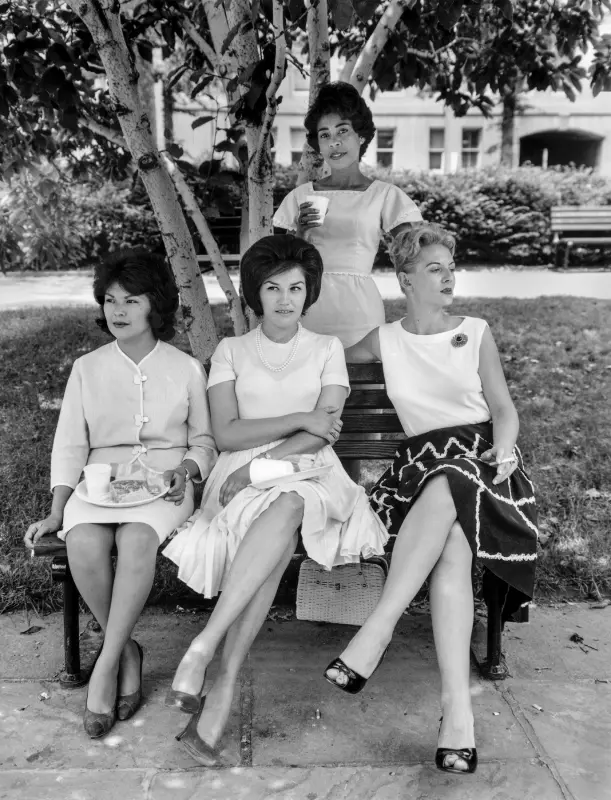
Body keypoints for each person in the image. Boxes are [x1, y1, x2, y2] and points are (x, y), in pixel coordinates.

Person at [163, 234, 389, 766]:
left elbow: (325, 431)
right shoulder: (231, 351)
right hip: (238, 475)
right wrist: (296, 418)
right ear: (254, 294)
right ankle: (221, 684)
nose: (285, 299)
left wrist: (266, 466)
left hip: (308, 471)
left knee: (288, 503)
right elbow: (226, 431)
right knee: (279, 523)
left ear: (308, 293)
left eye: (296, 287)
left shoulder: (327, 348)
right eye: (272, 287)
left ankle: (207, 645)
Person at [322, 223, 538, 775]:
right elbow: (319, 366)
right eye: (435, 268)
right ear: (405, 279)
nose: (449, 277)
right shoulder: (382, 340)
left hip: (486, 467)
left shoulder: (476, 330)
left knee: (454, 483)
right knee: (451, 543)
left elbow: (504, 410)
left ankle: (378, 630)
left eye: (451, 266)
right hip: (417, 473)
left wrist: (507, 450)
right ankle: (455, 712)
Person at [24, 250, 217, 739]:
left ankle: (105, 667)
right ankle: (126, 650)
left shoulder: (186, 367)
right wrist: (56, 510)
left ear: (155, 306)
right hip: (98, 485)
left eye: (131, 300)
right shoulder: (86, 368)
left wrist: (190, 469)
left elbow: (204, 441)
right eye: (110, 300)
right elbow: (69, 444)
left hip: (164, 484)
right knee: (82, 540)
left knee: (135, 540)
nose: (118, 311)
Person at [273, 81, 423, 349]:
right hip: (306, 309)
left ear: (361, 136)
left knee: (362, 387)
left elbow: (416, 258)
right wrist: (300, 236)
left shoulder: (384, 195)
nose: (335, 142)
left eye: (343, 131)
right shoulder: (298, 197)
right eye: (325, 135)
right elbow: (275, 269)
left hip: (360, 314)